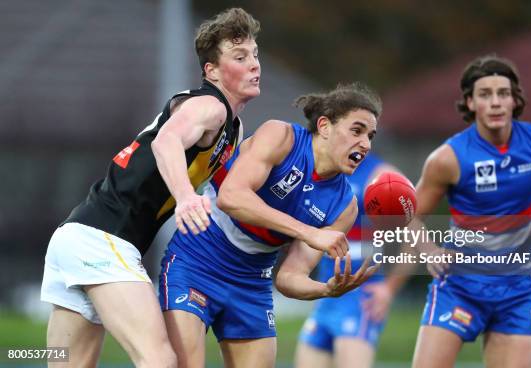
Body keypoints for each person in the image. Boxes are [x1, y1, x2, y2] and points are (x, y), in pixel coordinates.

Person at [40, 8, 262, 367]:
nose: (254, 64)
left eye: (254, 55)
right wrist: (187, 198)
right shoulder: (209, 106)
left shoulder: (234, 129)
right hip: (104, 239)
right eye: (240, 57)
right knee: (159, 359)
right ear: (212, 71)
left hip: (77, 237)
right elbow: (166, 142)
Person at [159, 82, 382, 368]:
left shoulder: (344, 206)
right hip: (197, 260)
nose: (366, 143)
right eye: (357, 130)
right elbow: (231, 196)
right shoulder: (282, 137)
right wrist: (307, 232)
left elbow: (289, 277)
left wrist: (326, 289)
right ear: (324, 126)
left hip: (252, 281)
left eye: (371, 136)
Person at [410, 55, 531, 368]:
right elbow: (407, 211)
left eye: (503, 94)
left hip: (516, 290)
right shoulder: (448, 158)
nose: (495, 103)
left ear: (515, 100)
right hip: (460, 287)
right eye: (485, 94)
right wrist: (428, 249)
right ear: (470, 102)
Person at [295, 153, 410, 368]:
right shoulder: (323, 171)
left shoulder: (382, 176)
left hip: (360, 300)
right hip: (326, 295)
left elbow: (415, 236)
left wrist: (389, 289)